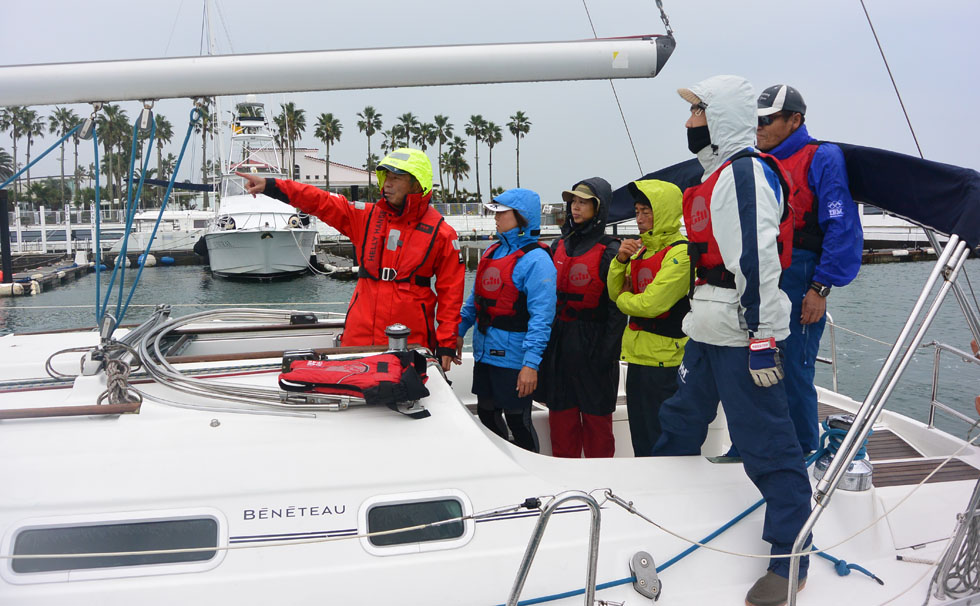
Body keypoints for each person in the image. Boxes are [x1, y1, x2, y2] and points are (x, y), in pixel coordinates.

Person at [649, 75, 812, 606]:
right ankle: (660, 510)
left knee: (768, 443)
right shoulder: (714, 174)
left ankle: (790, 558)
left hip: (744, 337)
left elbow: (758, 260)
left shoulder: (743, 175)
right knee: (678, 422)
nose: (690, 122)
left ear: (720, 117)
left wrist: (763, 337)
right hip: (707, 327)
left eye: (699, 112)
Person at [237, 148, 464, 372]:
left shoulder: (442, 234)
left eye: (396, 178)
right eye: (386, 177)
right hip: (359, 337)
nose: (387, 184)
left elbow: (451, 294)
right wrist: (272, 186)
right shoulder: (364, 217)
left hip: (409, 342)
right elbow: (320, 201)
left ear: (417, 184)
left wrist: (446, 343)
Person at [756, 84, 863, 454]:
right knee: (755, 358)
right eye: (757, 121)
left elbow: (840, 225)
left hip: (802, 271)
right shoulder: (756, 161)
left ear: (795, 119)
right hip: (764, 269)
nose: (760, 127)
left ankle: (803, 449)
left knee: (795, 368)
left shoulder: (822, 157)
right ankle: (754, 444)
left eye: (768, 120)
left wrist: (820, 288)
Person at [457, 188, 556, 453]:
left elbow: (542, 318)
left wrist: (531, 365)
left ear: (521, 218)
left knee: (518, 420)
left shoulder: (537, 260)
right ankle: (502, 464)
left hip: (515, 358)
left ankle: (531, 472)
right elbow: (474, 302)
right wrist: (457, 332)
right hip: (485, 354)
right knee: (487, 415)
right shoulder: (492, 251)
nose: (496, 218)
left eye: (502, 213)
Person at [535, 178, 625, 458]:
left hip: (594, 348)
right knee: (561, 423)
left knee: (598, 428)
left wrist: (606, 354)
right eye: (574, 201)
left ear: (599, 208)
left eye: (584, 202)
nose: (576, 207)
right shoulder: (557, 246)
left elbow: (617, 311)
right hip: (560, 348)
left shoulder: (611, 250)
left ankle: (601, 486)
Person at [606, 179, 690, 457]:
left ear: (664, 212)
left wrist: (624, 301)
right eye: (637, 211)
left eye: (647, 212)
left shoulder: (681, 253)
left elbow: (652, 303)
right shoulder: (640, 250)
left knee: (662, 436)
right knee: (641, 436)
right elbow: (614, 292)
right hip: (638, 356)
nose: (639, 219)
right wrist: (619, 262)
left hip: (667, 358)